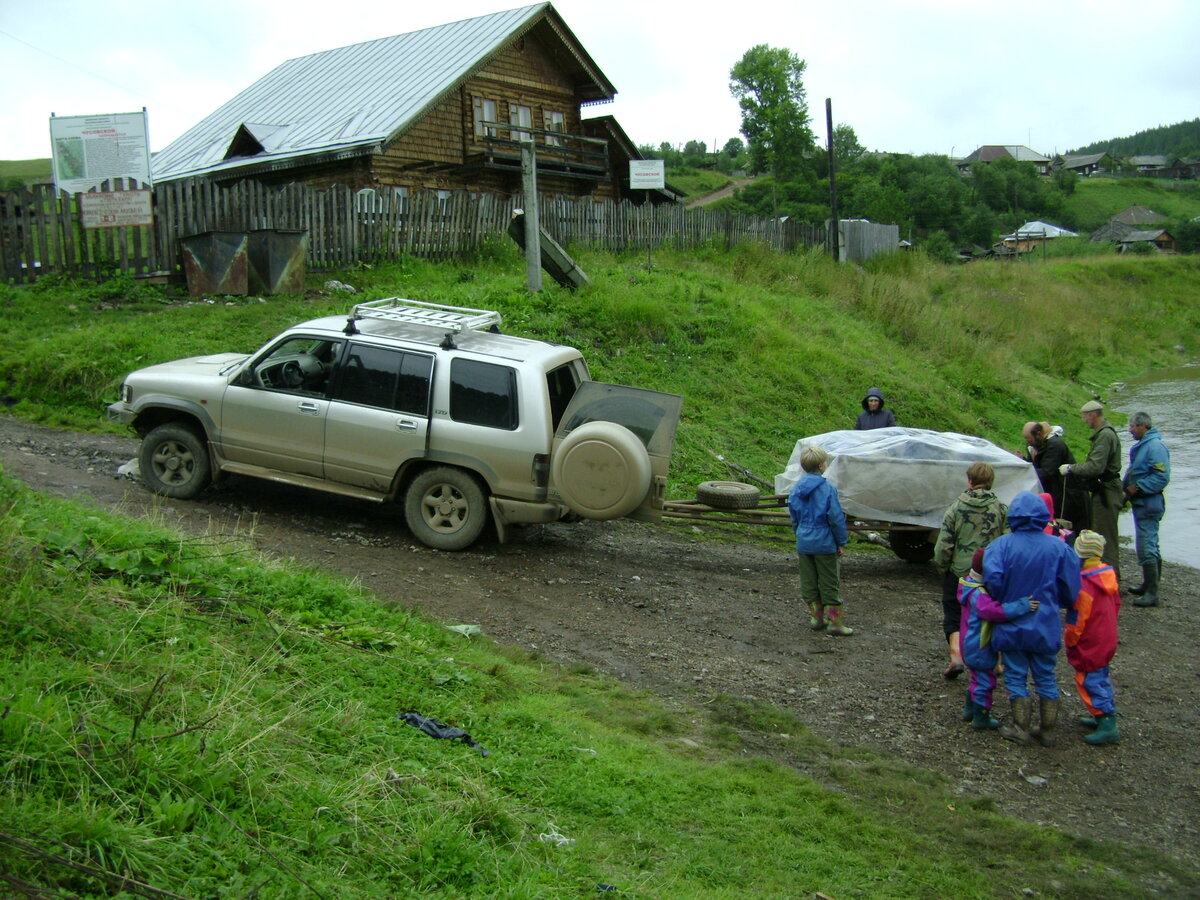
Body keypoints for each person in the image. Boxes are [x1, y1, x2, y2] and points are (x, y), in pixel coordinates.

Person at [983, 490, 1083, 747]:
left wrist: (1009, 601)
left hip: (1012, 623)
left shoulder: (1000, 546)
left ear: (1013, 517)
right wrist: (1055, 602)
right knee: (1046, 675)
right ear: (1042, 517)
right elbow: (1071, 588)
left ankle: (1020, 727)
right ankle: (1047, 730)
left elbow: (993, 582)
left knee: (1016, 675)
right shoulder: (1060, 548)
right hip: (1045, 623)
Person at [933, 462, 1009, 680]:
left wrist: (942, 566)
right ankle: (996, 662)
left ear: (970, 481)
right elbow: (1007, 541)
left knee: (954, 615)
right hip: (990, 572)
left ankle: (956, 657)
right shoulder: (1002, 508)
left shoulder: (956, 507)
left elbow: (945, 542)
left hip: (960, 571)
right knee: (992, 614)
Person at [956, 547, 1025, 730]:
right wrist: (1021, 606)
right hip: (979, 645)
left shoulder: (968, 586)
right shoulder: (979, 595)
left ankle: (969, 710)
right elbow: (995, 612)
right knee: (985, 682)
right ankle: (981, 716)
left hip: (968, 643)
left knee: (976, 678)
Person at [787, 445, 853, 635]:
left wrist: (799, 534)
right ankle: (835, 623)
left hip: (804, 541)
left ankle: (816, 618)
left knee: (809, 581)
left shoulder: (796, 488)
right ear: (822, 466)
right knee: (829, 581)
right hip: (824, 542)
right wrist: (841, 541)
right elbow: (835, 517)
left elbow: (794, 515)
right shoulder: (827, 489)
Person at [1065, 530, 1121, 745]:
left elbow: (1076, 622)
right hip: (1107, 636)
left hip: (1091, 640)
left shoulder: (1083, 587)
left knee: (1089, 680)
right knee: (1101, 675)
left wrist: (1070, 641)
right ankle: (1103, 714)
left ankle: (1106, 720)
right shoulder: (1108, 577)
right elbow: (1116, 605)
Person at [1060, 400, 1122, 581]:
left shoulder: (1104, 436)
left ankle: (1110, 580)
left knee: (1105, 537)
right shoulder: (1104, 434)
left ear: (1093, 415)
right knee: (1104, 533)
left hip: (1107, 491)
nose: (1083, 420)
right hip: (1105, 489)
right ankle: (1107, 577)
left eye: (1084, 416)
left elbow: (1095, 467)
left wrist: (1072, 468)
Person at [1122, 412, 1170, 607]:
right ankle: (1149, 584)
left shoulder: (1155, 447)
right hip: (1142, 503)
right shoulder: (1145, 445)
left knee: (1146, 546)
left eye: (1132, 426)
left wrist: (1138, 487)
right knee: (1150, 543)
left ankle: (1152, 593)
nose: (1130, 430)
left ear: (1143, 426)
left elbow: (1162, 477)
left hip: (1150, 503)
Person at [1022, 420, 1089, 530]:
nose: (1028, 443)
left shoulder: (1055, 446)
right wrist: (1023, 461)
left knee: (1068, 528)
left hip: (1068, 494)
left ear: (1038, 434)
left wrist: (1025, 471)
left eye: (1030, 440)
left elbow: (1047, 472)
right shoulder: (1036, 445)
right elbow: (1036, 466)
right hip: (1055, 491)